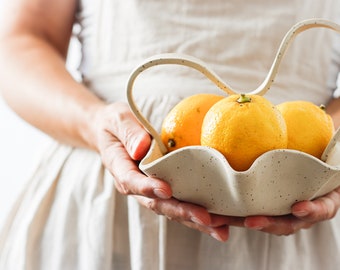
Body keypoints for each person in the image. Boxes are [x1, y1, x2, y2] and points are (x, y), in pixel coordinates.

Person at [0, 0, 339, 269]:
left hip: (299, 185)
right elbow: (23, 39)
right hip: (109, 190)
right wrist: (93, 121)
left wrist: (334, 152)